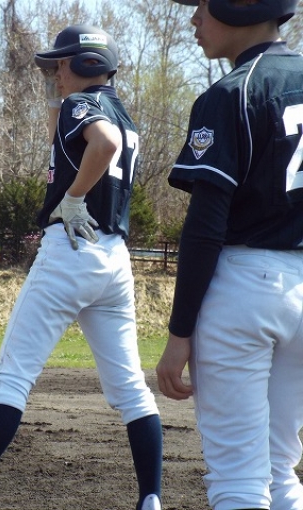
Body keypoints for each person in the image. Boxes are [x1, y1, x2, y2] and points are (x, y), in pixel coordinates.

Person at [0, 24, 162, 510]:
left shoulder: (82, 105)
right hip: (114, 260)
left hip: (71, 249)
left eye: (60, 64)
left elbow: (102, 144)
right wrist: (55, 95)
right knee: (131, 389)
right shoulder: (121, 112)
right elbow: (66, 145)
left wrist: (73, 197)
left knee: (13, 376)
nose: (55, 73)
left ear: (84, 63)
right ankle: (151, 499)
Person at [155, 1, 303, 509]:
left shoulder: (231, 92)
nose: (194, 19)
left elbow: (205, 228)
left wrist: (179, 332)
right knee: (280, 472)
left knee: (239, 479)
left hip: (245, 290)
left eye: (204, 5)